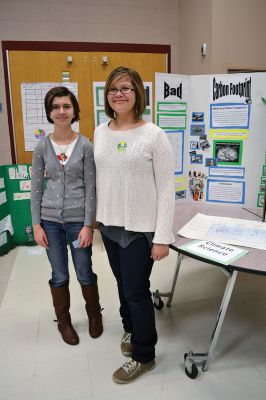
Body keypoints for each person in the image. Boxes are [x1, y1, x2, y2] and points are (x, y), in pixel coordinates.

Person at [94, 66, 175, 383]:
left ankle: (144, 355)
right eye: (113, 89)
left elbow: (167, 189)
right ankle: (130, 328)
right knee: (121, 285)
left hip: (141, 230)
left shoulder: (154, 135)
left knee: (136, 291)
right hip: (110, 227)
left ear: (138, 93)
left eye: (126, 88)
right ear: (107, 96)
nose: (119, 93)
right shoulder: (101, 131)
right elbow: (101, 177)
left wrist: (162, 237)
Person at [31, 86, 103, 346]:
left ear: (74, 111)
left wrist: (87, 226)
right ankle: (64, 321)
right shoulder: (41, 147)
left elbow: (91, 188)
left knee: (84, 271)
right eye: (56, 107)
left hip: (77, 225)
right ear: (50, 113)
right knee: (59, 274)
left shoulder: (85, 146)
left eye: (66, 106)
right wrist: (36, 225)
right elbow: (36, 188)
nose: (61, 111)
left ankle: (94, 314)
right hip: (50, 223)